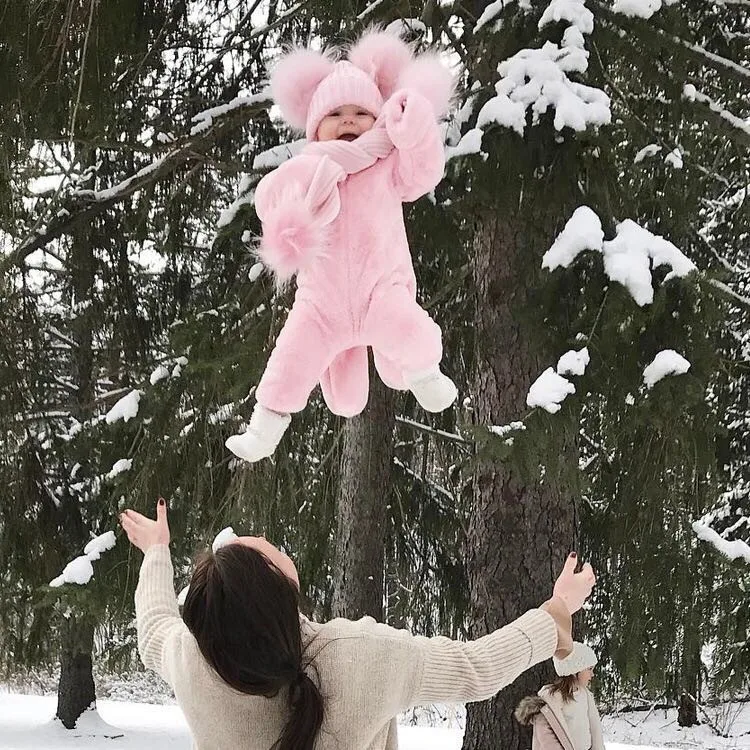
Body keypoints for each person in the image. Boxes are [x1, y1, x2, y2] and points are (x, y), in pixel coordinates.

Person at [120, 499, 596, 750]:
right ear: (279, 589)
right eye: (256, 547)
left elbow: (153, 627)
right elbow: (475, 669)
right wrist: (553, 615)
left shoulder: (191, 657)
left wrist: (157, 553)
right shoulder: (360, 656)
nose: (260, 536)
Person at [225, 30, 459, 463]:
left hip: (379, 290)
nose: (349, 121)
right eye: (336, 113)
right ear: (315, 126)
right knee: (292, 357)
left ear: (378, 118)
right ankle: (264, 426)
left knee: (407, 327)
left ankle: (425, 374)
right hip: (322, 304)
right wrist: (304, 187)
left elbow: (425, 173)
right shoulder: (308, 165)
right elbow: (269, 199)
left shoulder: (386, 165)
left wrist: (416, 128)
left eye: (360, 112)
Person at [514, 641, 605, 750]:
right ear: (575, 669)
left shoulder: (585, 695)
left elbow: (595, 729)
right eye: (589, 669)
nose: (592, 674)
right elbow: (547, 739)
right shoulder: (551, 700)